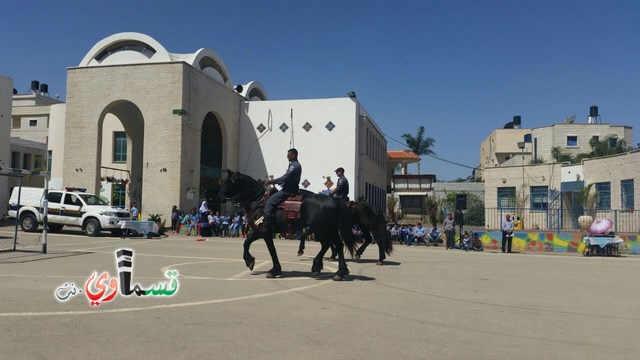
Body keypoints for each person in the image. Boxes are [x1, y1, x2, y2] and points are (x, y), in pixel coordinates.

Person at [263, 148, 302, 233]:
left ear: (293, 155)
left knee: (270, 202)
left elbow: (286, 177)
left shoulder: (294, 165)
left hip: (288, 190)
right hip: (289, 187)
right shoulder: (294, 165)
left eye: (288, 155)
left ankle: (267, 225)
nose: (287, 157)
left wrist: (271, 181)